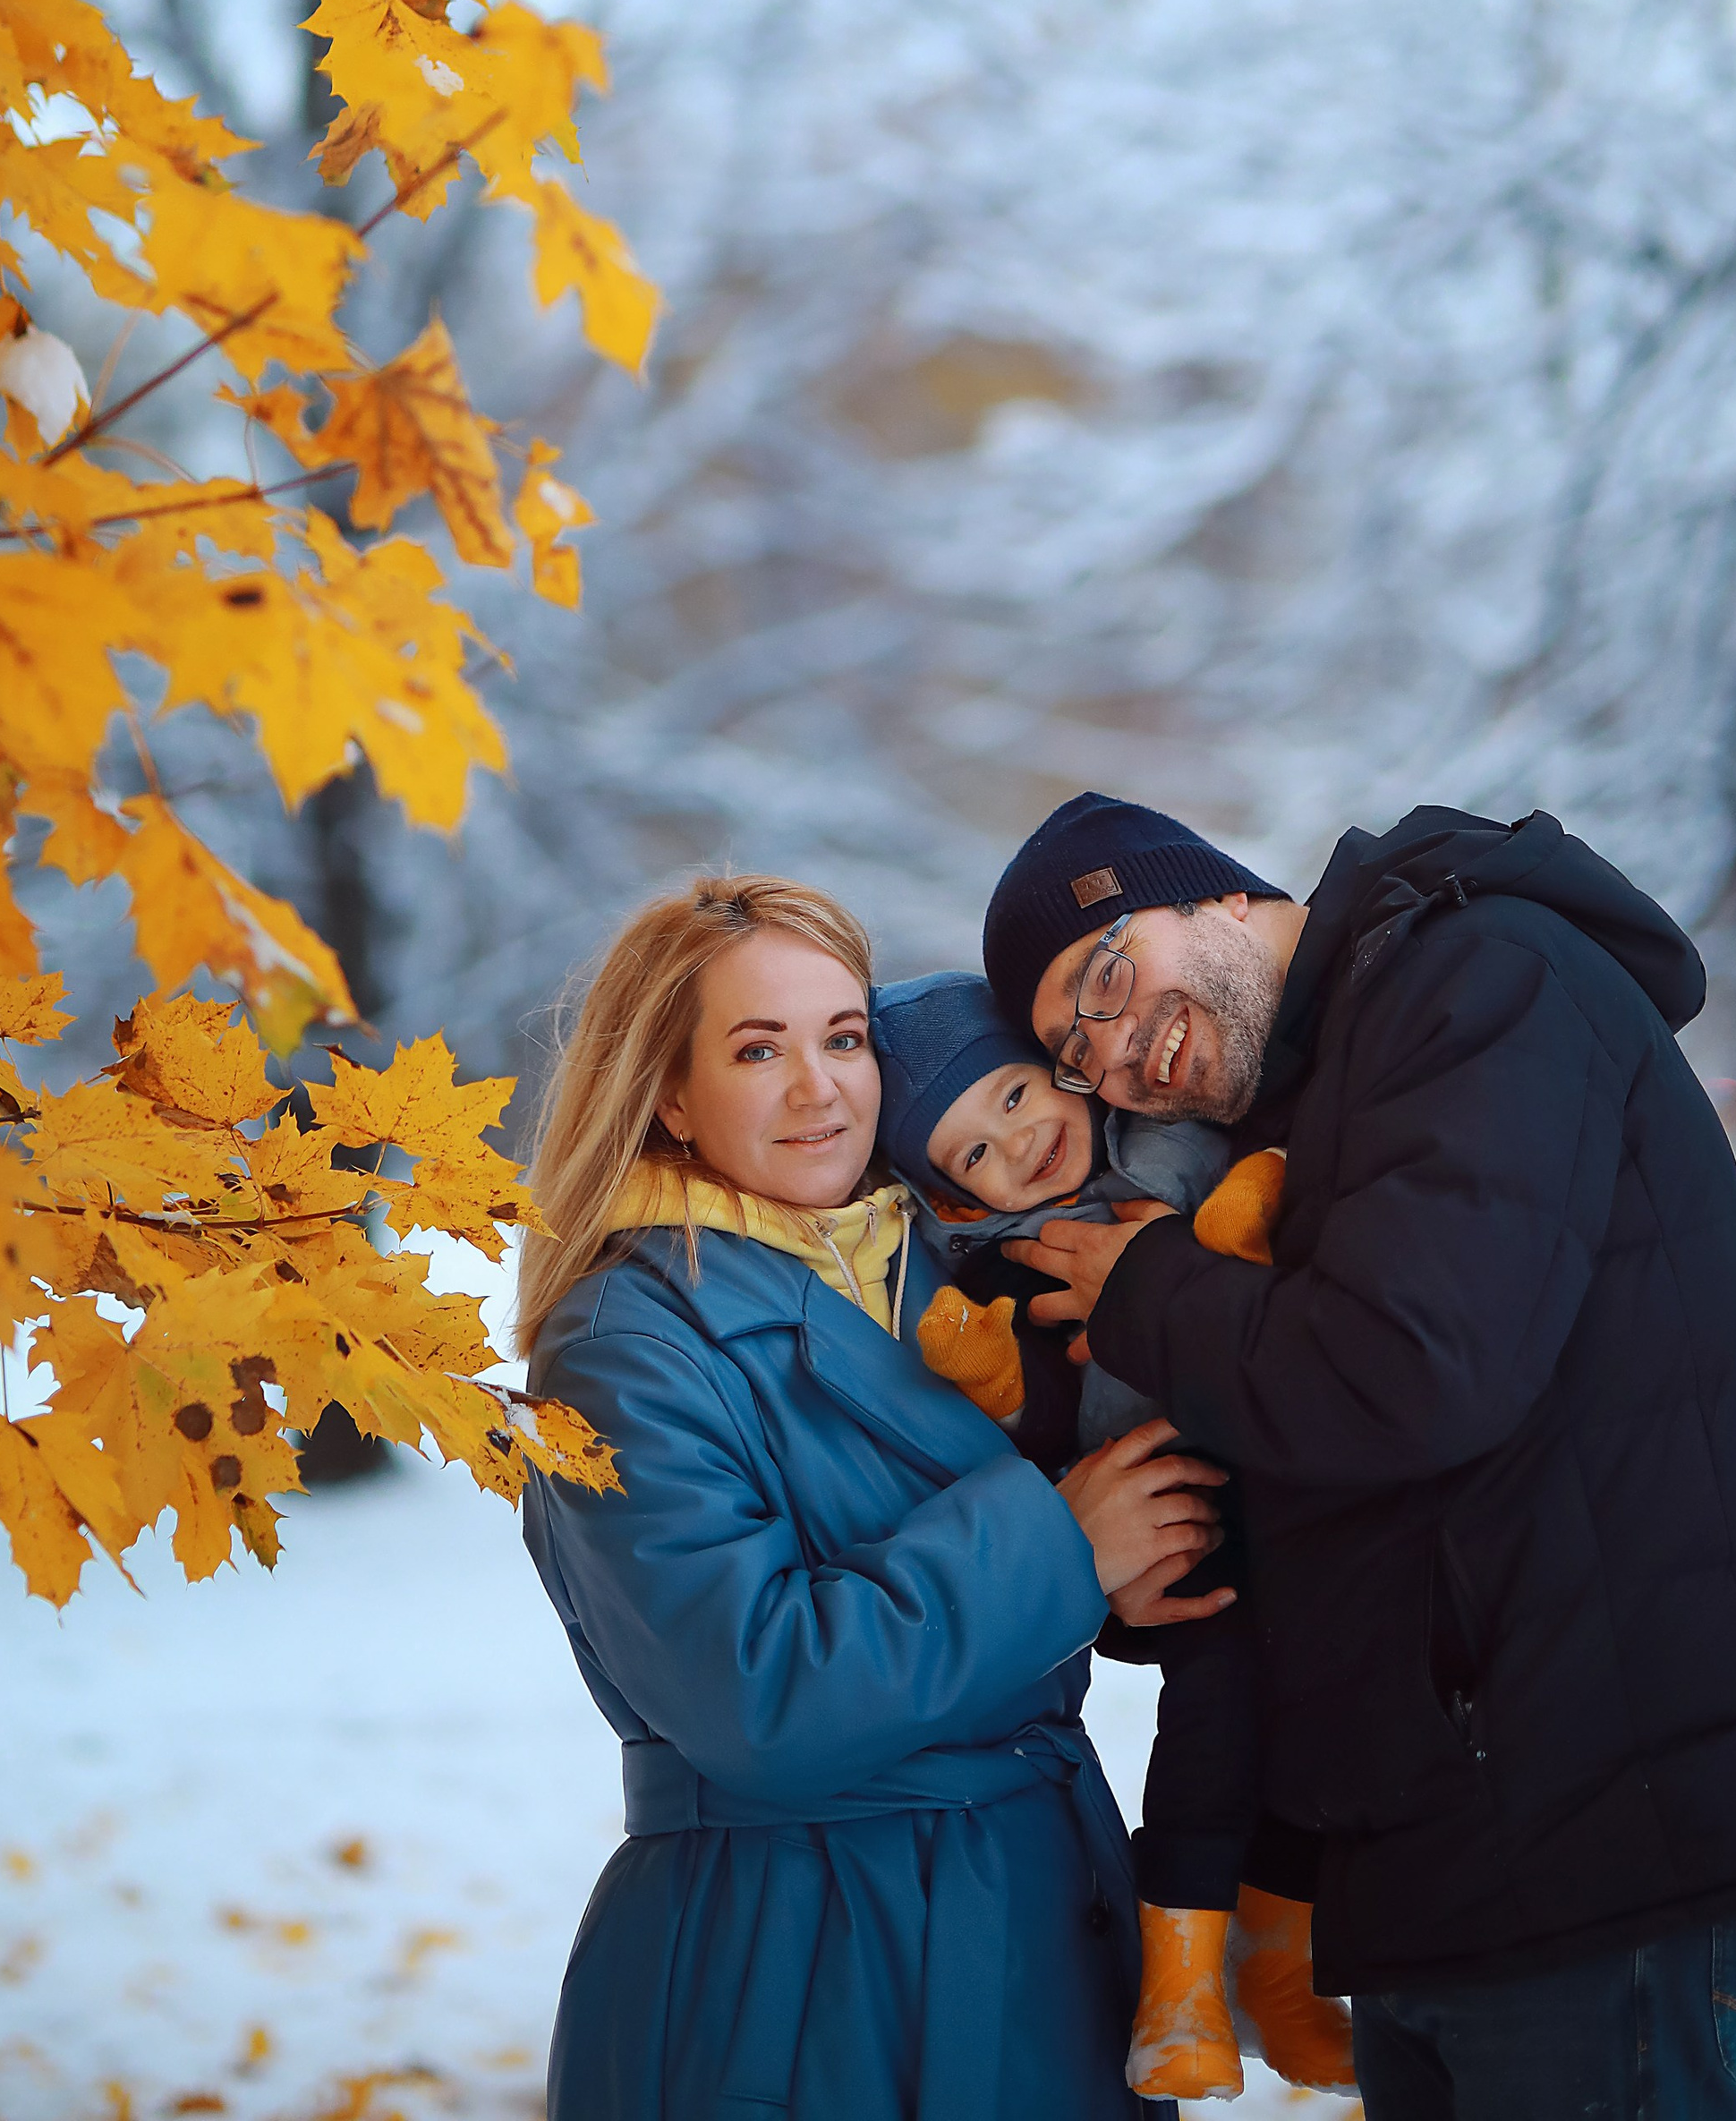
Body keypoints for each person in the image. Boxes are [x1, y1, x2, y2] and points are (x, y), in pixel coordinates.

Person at [980, 791, 1736, 2121]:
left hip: (1592, 1837)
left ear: (1218, 894)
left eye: (1107, 979)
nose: (1114, 1055)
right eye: (1073, 1053)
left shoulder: (1482, 974)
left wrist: (1147, 1289)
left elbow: (1415, 1369)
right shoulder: (1320, 1090)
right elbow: (1345, 1453)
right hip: (1449, 1852)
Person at [513, 872, 1227, 2121]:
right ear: (669, 1093)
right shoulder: (623, 1344)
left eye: (843, 1037)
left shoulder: (935, 1272)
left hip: (1036, 1911)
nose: (820, 1087)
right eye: (757, 1049)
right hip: (804, 1961)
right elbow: (755, 1693)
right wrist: (1061, 1546)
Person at [872, 967, 1353, 2104]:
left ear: (1064, 1068)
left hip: (1301, 1494)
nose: (1013, 1147)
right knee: (1216, 1728)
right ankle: (1177, 1985)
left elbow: (1297, 1227)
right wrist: (1001, 1379)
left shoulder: (1186, 1142)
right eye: (971, 1156)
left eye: (1009, 1097)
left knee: (1322, 1737)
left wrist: (1246, 1213)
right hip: (1184, 1517)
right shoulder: (1010, 1262)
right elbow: (1045, 1414)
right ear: (953, 1198)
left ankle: (1280, 1976)